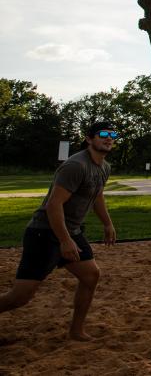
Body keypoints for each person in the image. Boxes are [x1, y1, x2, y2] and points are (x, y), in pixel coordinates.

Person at [0, 121, 117, 340]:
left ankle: (76, 331)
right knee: (19, 297)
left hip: (71, 231)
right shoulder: (76, 165)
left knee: (91, 275)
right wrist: (64, 240)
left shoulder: (104, 167)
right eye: (103, 134)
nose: (109, 138)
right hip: (44, 233)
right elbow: (54, 205)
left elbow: (97, 196)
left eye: (112, 134)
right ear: (89, 139)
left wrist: (107, 223)